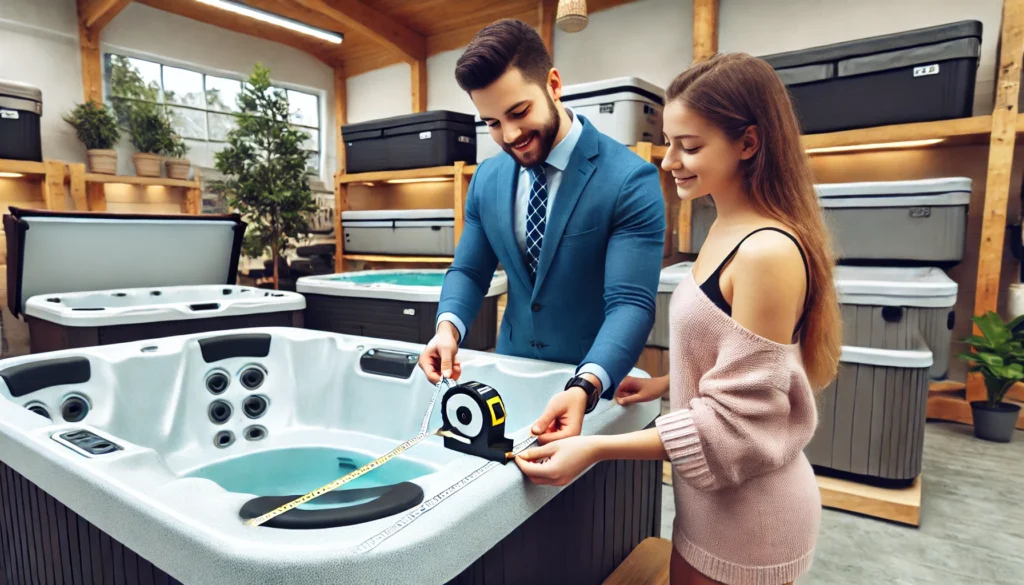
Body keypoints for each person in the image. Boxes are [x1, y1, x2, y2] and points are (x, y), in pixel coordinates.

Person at [514, 52, 843, 585]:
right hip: (710, 504)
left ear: (749, 143)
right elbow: (748, 363)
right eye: (670, 142)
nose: (669, 161)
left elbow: (738, 423)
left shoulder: (766, 253)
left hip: (752, 519)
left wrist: (595, 448)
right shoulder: (723, 226)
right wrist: (665, 384)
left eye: (690, 147)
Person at [418, 18, 666, 442]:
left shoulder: (630, 179)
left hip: (594, 384)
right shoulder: (487, 178)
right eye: (493, 123)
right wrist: (447, 328)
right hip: (510, 373)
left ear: (553, 84)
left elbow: (630, 304)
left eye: (519, 112)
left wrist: (586, 386)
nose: (510, 135)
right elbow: (469, 271)